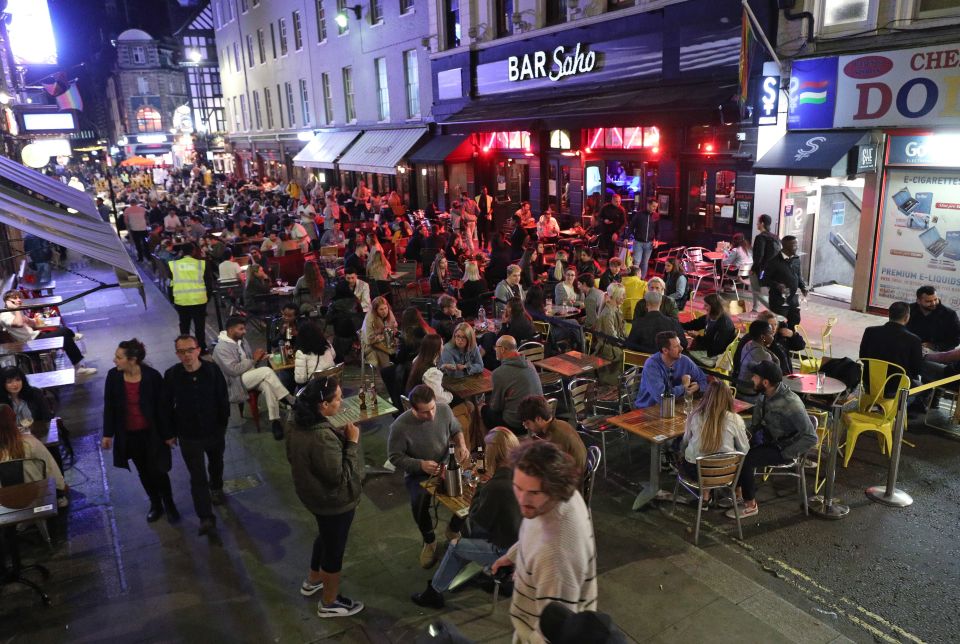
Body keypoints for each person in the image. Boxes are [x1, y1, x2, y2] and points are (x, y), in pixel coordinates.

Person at [491, 441, 597, 643]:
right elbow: (535, 531)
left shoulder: (556, 556)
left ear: (553, 488)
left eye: (533, 492)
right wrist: (513, 555)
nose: (522, 500)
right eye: (517, 487)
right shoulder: (562, 497)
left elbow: (556, 632)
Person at [411, 428, 522, 609]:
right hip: (526, 541)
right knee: (463, 539)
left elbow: (477, 518)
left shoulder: (497, 486)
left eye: (487, 450)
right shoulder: (521, 471)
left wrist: (481, 487)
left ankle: (433, 593)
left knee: (455, 546)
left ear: (493, 453)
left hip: (508, 550)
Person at [286, 377, 365, 618]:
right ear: (323, 405)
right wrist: (351, 442)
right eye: (338, 398)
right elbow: (339, 477)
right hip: (333, 501)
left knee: (325, 535)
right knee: (334, 550)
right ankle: (329, 602)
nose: (341, 402)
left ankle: (313, 579)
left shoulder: (296, 421)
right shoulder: (320, 437)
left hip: (313, 496)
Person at [387, 385, 469, 568]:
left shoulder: (444, 410)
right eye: (424, 412)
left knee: (470, 493)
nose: (431, 415)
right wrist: (420, 465)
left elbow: (456, 429)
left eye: (433, 408)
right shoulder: (399, 426)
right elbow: (394, 457)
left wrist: (461, 444)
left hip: (446, 463)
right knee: (419, 501)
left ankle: (453, 529)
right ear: (412, 409)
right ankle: (429, 540)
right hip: (418, 473)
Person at [729, 361, 816, 519]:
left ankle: (750, 505)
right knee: (736, 447)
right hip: (767, 439)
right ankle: (738, 492)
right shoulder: (764, 395)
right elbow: (755, 425)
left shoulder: (791, 403)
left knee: (747, 460)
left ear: (766, 382)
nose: (752, 379)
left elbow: (810, 437)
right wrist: (742, 436)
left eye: (755, 376)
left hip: (782, 447)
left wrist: (786, 452)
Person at [102, 339, 176, 523]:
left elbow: (163, 408)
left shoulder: (152, 377)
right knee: (143, 471)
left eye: (119, 357)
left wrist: (168, 435)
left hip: (152, 434)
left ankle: (170, 504)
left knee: (159, 470)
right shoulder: (113, 376)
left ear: (133, 360)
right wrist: (107, 433)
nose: (114, 360)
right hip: (129, 434)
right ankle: (155, 504)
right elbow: (109, 405)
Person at [162, 335, 230, 536]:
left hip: (214, 431)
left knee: (216, 463)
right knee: (197, 476)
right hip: (189, 434)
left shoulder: (212, 370)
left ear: (198, 350)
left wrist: (222, 423)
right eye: (181, 352)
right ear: (177, 354)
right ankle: (206, 517)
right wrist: (169, 433)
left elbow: (222, 398)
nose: (186, 355)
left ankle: (216, 487)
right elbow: (165, 406)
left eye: (190, 350)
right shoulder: (172, 375)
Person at [212, 316, 296, 440]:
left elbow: (250, 361)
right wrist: (254, 360)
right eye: (241, 329)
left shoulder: (242, 341)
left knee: (268, 386)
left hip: (249, 375)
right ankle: (290, 399)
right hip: (235, 382)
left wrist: (259, 359)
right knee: (267, 371)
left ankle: (275, 421)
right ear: (230, 330)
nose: (244, 332)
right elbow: (234, 370)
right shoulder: (221, 348)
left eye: (244, 329)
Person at [0, 291, 97, 376]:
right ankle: (78, 366)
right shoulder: (4, 315)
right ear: (7, 301)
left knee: (64, 332)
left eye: (19, 297)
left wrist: (38, 319)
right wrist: (16, 309)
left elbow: (31, 322)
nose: (18, 300)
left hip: (36, 336)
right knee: (64, 334)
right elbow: (19, 323)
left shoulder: (17, 311)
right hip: (30, 343)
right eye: (15, 298)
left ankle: (77, 359)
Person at [677, 380, 749, 494]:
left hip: (695, 472)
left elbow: (685, 443)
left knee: (683, 450)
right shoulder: (736, 419)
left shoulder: (694, 416)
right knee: (743, 461)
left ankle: (705, 497)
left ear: (707, 397)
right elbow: (744, 450)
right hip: (726, 472)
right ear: (728, 398)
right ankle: (738, 494)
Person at [0, 403, 65, 497]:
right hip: (37, 498)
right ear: (13, 420)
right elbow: (51, 469)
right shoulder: (30, 443)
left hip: (4, 506)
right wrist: (61, 487)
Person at [481, 335, 543, 432]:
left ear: (502, 349)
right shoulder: (529, 363)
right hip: (535, 420)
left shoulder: (499, 373)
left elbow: (496, 407)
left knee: (482, 410)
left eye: (495, 347)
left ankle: (489, 444)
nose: (494, 350)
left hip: (516, 424)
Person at [860, 301, 923, 391]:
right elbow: (916, 370)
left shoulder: (870, 331)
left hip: (870, 383)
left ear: (888, 314)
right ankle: (903, 404)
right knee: (921, 387)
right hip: (897, 387)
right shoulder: (914, 340)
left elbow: (862, 357)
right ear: (907, 317)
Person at [635, 331, 706, 408]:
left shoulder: (685, 361)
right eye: (676, 346)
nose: (681, 348)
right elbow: (662, 398)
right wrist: (684, 386)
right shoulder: (652, 365)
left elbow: (704, 380)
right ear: (665, 350)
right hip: (648, 409)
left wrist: (698, 387)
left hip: (675, 406)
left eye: (680, 345)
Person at [518, 395, 587, 473]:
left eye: (528, 423)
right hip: (575, 468)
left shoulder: (555, 438)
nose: (526, 427)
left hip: (574, 477)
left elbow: (552, 469)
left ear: (538, 419)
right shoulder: (560, 423)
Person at [764, 235, 806, 327]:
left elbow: (798, 276)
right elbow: (764, 279)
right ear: (786, 246)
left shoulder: (796, 259)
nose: (797, 247)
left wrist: (803, 287)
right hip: (778, 300)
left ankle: (791, 340)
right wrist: (777, 285)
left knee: (795, 321)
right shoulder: (773, 262)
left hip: (793, 299)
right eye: (794, 245)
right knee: (779, 325)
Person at [683, 294, 736, 366]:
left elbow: (715, 349)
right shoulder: (712, 316)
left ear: (714, 307)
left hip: (714, 357)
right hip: (709, 349)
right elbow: (694, 324)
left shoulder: (724, 324)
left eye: (706, 305)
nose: (703, 307)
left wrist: (697, 337)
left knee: (683, 356)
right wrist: (675, 323)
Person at [907, 285, 960, 352]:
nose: (933, 303)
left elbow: (956, 340)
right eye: (928, 301)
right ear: (918, 301)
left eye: (935, 299)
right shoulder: (908, 310)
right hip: (910, 349)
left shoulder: (950, 315)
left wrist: (934, 346)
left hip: (938, 354)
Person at [593, 283, 626, 385]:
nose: (624, 297)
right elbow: (612, 336)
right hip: (607, 348)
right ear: (615, 295)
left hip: (614, 343)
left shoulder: (616, 309)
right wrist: (625, 344)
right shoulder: (608, 313)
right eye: (622, 294)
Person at [735, 321, 778, 398]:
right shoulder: (764, 355)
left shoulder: (748, 344)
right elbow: (774, 376)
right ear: (762, 337)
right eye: (771, 334)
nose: (773, 336)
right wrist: (777, 360)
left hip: (739, 386)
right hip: (749, 392)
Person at [749, 214, 780, 313]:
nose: (757, 224)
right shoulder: (775, 237)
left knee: (756, 290)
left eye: (758, 222)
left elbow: (759, 256)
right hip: (774, 270)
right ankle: (758, 308)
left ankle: (771, 310)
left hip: (762, 269)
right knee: (767, 291)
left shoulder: (760, 237)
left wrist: (753, 269)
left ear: (762, 223)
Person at [629, 198, 659, 279]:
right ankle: (634, 278)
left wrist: (656, 240)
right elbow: (631, 226)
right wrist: (628, 237)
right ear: (648, 205)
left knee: (645, 262)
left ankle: (642, 279)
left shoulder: (656, 215)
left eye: (656, 207)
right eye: (653, 206)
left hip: (649, 243)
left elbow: (657, 229)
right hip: (638, 242)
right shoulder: (639, 214)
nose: (654, 208)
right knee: (637, 261)